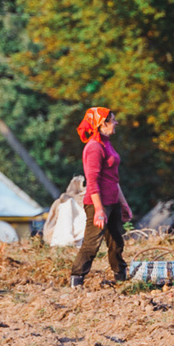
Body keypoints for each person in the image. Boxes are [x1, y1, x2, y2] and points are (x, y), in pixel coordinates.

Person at [68, 107, 130, 287]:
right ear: (103, 124)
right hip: (98, 203)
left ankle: (121, 278)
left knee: (117, 242)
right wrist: (99, 210)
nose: (116, 123)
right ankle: (76, 279)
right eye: (113, 120)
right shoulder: (94, 147)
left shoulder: (106, 144)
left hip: (113, 201)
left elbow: (113, 180)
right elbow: (92, 181)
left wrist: (123, 204)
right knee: (92, 243)